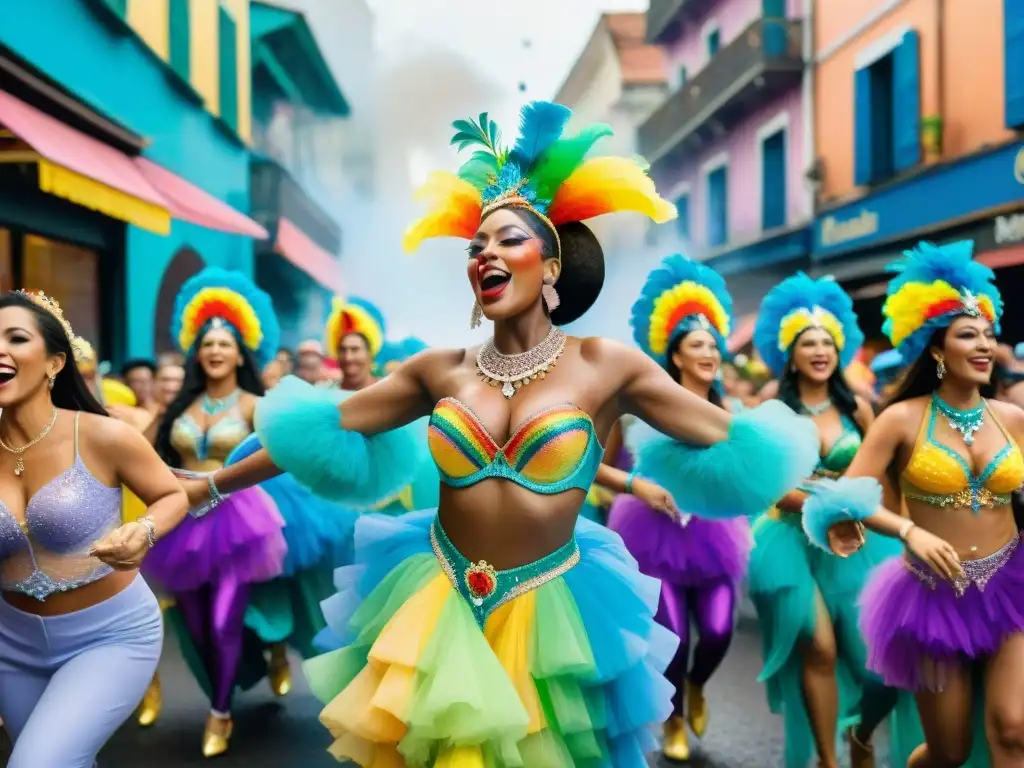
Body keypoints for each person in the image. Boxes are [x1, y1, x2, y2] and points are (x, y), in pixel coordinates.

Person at [179, 100, 821, 766]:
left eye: (508, 240)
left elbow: (741, 443)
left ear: (551, 267)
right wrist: (208, 486)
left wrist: (830, 505)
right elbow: (315, 430)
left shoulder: (607, 366)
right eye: (476, 246)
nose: (485, 252)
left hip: (552, 617)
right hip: (441, 602)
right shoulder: (438, 370)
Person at [807, 241, 1019, 767]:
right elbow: (844, 498)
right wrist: (908, 531)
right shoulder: (901, 419)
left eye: (988, 334)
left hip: (1013, 585)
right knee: (948, 753)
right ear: (936, 349)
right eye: (967, 334)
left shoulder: (1013, 419)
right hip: (933, 596)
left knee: (1014, 729)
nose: (984, 344)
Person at [0, 290, 188, 767]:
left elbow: (172, 495)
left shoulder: (103, 435)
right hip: (9, 643)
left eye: (16, 338)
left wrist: (143, 531)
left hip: (108, 636)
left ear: (55, 362)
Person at [746, 273, 917, 768]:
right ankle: (828, 759)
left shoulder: (858, 408)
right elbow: (767, 485)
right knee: (818, 648)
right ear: (790, 354)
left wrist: (903, 533)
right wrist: (820, 505)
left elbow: (885, 477)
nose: (819, 351)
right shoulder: (773, 409)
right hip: (790, 542)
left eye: (827, 343)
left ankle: (861, 734)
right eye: (808, 343)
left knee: (877, 667)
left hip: (858, 541)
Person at [602, 254, 752, 760]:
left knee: (717, 633)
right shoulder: (641, 409)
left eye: (713, 344)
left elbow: (752, 473)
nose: (709, 352)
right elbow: (603, 466)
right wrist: (635, 489)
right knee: (674, 637)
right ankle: (673, 719)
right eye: (697, 345)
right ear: (677, 356)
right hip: (653, 535)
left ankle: (697, 685)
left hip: (716, 536)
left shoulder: (731, 413)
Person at [142, 268, 289, 757]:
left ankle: (220, 713)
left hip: (238, 520)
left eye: (225, 343)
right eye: (207, 343)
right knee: (199, 629)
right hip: (183, 520)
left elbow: (278, 456)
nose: (216, 350)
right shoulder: (178, 406)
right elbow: (140, 452)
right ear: (196, 352)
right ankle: (244, 666)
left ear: (240, 354)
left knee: (224, 621)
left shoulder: (254, 405)